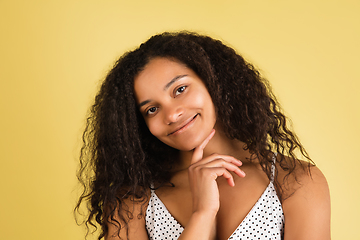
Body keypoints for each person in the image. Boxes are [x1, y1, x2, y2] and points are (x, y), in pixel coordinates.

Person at [75, 31, 331, 240]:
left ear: (214, 82)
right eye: (152, 109)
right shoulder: (132, 202)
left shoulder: (295, 183)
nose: (172, 115)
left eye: (180, 89)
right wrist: (202, 214)